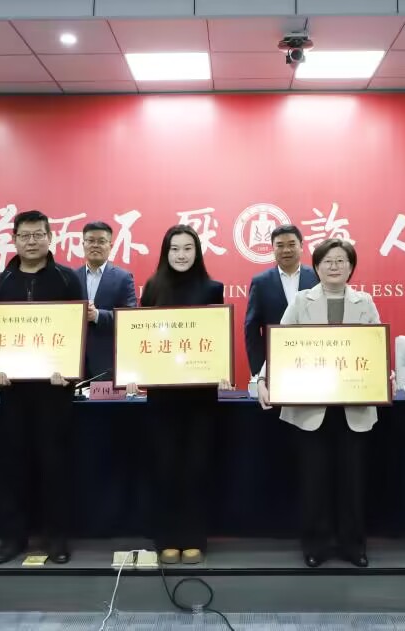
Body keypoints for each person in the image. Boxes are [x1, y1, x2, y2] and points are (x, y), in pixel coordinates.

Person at [256, 238, 380, 569]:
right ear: (317, 267)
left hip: (353, 406)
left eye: (341, 261)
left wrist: (385, 376)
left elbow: (375, 348)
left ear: (351, 267)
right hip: (310, 407)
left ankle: (353, 545)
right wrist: (263, 380)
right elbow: (280, 345)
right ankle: (316, 544)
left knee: (352, 482)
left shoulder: (365, 302)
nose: (334, 266)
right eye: (328, 261)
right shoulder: (301, 301)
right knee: (314, 481)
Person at [0, 209, 86, 565]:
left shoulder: (67, 279)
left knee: (54, 465)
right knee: (14, 466)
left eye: (38, 235)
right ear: (14, 240)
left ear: (50, 238)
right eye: (24, 236)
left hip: (54, 390)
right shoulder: (1, 283)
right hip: (13, 391)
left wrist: (70, 371)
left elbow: (77, 331)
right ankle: (13, 538)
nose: (31, 242)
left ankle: (56, 538)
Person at [129, 224, 231, 565]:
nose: (181, 255)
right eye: (175, 249)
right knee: (166, 466)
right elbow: (141, 336)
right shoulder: (153, 287)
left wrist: (222, 367)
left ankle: (194, 539)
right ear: (166, 253)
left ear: (197, 252)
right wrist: (134, 372)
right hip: (163, 395)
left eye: (188, 248)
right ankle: (167, 538)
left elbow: (217, 338)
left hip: (200, 396)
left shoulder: (212, 288)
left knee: (195, 467)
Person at [244, 225, 317, 379]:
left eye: (291, 244)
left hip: (314, 360)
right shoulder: (261, 282)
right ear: (273, 248)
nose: (286, 250)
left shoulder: (317, 278)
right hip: (275, 362)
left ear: (301, 246)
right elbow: (252, 328)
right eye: (280, 245)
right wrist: (259, 370)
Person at [75, 221, 137, 381]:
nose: (95, 245)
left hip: (107, 363)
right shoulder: (72, 277)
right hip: (75, 360)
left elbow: (130, 318)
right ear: (83, 244)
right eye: (90, 240)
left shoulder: (123, 278)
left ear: (110, 246)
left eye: (101, 241)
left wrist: (97, 315)